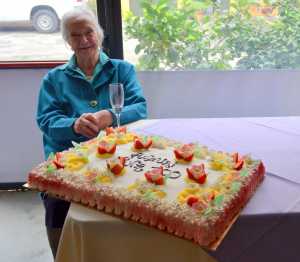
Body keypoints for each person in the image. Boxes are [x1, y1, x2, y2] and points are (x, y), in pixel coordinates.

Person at [36, 7, 147, 259]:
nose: (84, 40)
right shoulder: (54, 79)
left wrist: (109, 115)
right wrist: (73, 125)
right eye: (75, 35)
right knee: (56, 201)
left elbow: (140, 107)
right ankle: (64, 254)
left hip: (118, 155)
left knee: (138, 203)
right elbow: (46, 120)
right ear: (67, 41)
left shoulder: (122, 69)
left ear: (99, 34)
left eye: (89, 32)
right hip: (69, 159)